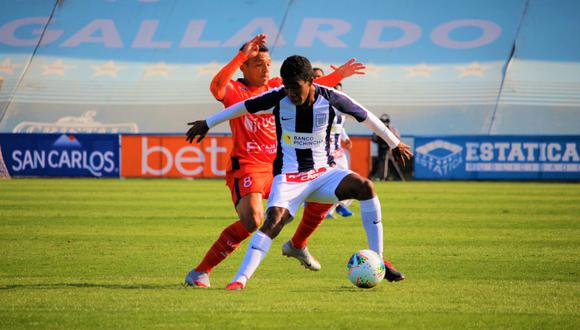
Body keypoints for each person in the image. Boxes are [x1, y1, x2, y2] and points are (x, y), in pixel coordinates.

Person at [186, 55, 413, 290]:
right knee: (273, 221)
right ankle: (239, 280)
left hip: (323, 174)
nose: (290, 92)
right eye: (286, 86)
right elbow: (243, 107)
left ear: (309, 82)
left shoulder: (332, 98)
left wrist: (395, 143)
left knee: (365, 187)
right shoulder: (278, 97)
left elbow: (366, 116)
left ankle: (379, 259)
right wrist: (208, 123)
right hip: (289, 176)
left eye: (295, 87)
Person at [312, 67, 353, 218]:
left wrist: (345, 137)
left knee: (346, 177)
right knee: (323, 182)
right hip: (321, 151)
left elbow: (338, 127)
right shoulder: (318, 104)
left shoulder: (341, 107)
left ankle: (340, 205)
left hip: (338, 151)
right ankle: (329, 210)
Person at [370, 114, 405, 180]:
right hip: (380, 149)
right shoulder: (378, 129)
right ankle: (379, 176)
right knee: (379, 162)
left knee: (391, 163)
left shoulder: (392, 129)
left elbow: (397, 138)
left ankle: (397, 178)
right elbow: (373, 138)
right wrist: (379, 141)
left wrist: (391, 143)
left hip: (389, 149)